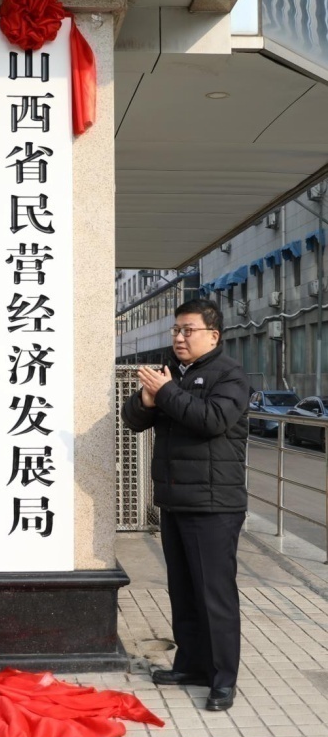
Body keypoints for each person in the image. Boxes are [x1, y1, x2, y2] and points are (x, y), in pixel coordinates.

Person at [121, 298, 249, 712]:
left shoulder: (230, 375)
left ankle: (223, 679)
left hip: (214, 505)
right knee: (184, 591)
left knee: (214, 595)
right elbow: (133, 420)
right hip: (175, 500)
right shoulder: (172, 374)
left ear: (213, 335)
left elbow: (212, 420)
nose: (179, 337)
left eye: (187, 330)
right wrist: (147, 400)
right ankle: (191, 665)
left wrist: (166, 392)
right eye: (176, 330)